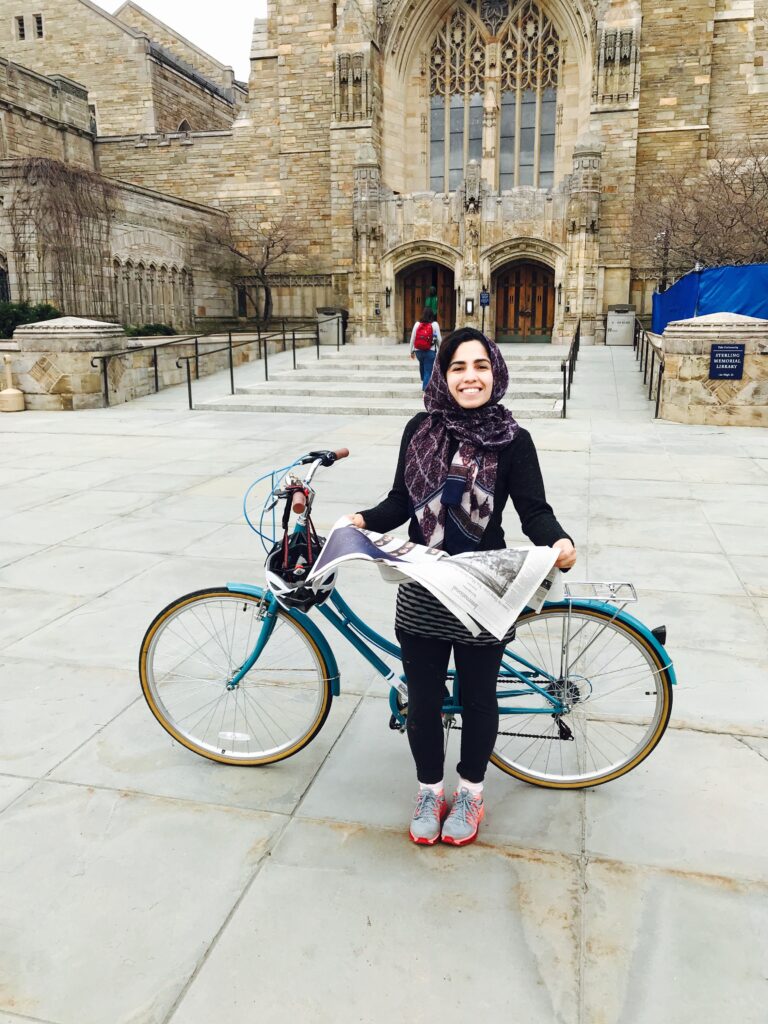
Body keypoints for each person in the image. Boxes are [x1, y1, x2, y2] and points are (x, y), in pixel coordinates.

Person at [348, 328, 576, 847]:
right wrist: (362, 518)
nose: (469, 376)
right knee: (424, 700)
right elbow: (400, 503)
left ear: (494, 372)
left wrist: (558, 540)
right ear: (441, 374)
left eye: (479, 366)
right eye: (457, 366)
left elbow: (533, 511)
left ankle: (470, 791)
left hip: (481, 589)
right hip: (424, 583)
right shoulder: (420, 429)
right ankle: (430, 789)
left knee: (478, 698)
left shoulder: (514, 439)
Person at [409, 307, 441, 391]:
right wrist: (441, 350)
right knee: (428, 370)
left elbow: (412, 338)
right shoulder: (434, 324)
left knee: (423, 365)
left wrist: (411, 351)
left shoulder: (417, 324)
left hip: (418, 351)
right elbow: (439, 339)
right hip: (430, 351)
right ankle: (425, 389)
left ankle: (424, 380)